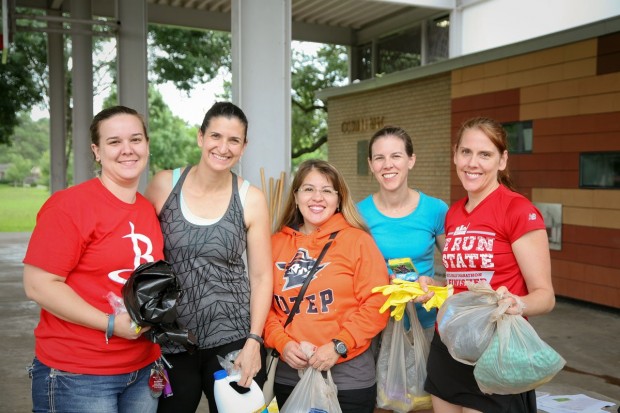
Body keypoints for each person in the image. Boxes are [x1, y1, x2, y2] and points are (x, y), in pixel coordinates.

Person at [23, 105, 164, 413]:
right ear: (97, 151)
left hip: (143, 370)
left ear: (147, 146)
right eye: (114, 142)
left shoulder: (146, 209)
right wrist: (111, 324)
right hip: (79, 374)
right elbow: (38, 285)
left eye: (136, 139)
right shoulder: (69, 206)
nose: (127, 150)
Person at [145, 102, 273, 413]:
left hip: (232, 338)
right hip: (172, 339)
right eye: (216, 136)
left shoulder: (251, 198)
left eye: (234, 140)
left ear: (243, 147)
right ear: (201, 137)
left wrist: (254, 341)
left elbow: (261, 276)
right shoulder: (165, 185)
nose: (223, 147)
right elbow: (142, 258)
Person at [423, 116, 555, 412]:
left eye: (485, 154)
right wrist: (436, 287)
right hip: (448, 345)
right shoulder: (454, 213)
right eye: (466, 152)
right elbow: (462, 283)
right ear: (455, 154)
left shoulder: (518, 210)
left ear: (502, 160)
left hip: (495, 351)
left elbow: (545, 296)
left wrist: (516, 304)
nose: (473, 163)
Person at [264, 159, 390, 413]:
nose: (317, 198)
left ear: (338, 198)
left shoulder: (358, 241)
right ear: (296, 195)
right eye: (308, 189)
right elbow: (262, 306)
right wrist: (281, 342)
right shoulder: (275, 243)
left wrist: (338, 345)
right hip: (289, 377)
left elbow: (377, 303)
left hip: (348, 379)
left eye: (326, 190)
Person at [358, 125, 448, 337]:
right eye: (379, 158)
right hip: (376, 326)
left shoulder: (436, 209)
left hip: (426, 322)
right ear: (371, 164)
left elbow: (457, 269)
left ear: (411, 160)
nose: (387, 165)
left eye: (396, 156)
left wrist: (436, 285)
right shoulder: (357, 214)